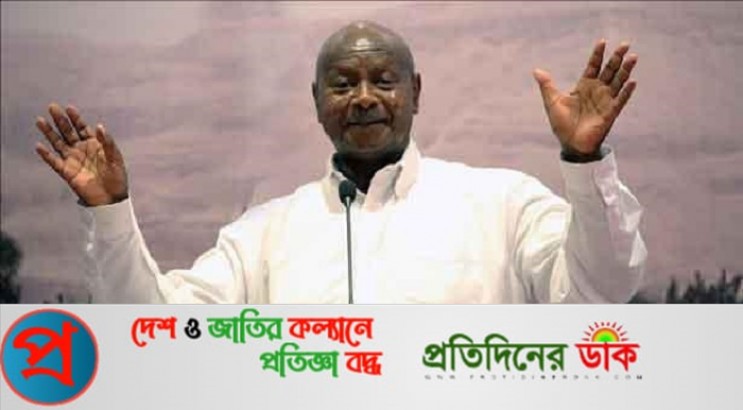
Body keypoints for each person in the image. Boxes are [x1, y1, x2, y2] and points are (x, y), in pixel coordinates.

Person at [33, 21, 646, 304]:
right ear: (316, 102)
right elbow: (159, 338)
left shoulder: (504, 205)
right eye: (343, 83)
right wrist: (109, 212)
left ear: (416, 93)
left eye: (384, 80)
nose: (364, 98)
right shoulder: (261, 234)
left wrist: (583, 158)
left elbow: (601, 290)